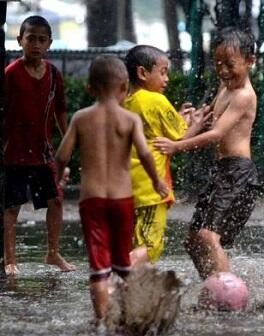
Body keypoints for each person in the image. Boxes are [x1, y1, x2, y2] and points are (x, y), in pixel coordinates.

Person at [54, 55, 169, 321]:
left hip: (92, 200)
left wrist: (59, 178)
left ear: (90, 89)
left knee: (99, 267)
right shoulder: (130, 120)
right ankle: (128, 315)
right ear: (124, 87)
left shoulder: (81, 118)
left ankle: (103, 320)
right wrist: (156, 181)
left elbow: (61, 156)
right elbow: (145, 153)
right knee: (122, 263)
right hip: (122, 199)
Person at [152, 27, 260, 278]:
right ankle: (214, 287)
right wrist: (190, 119)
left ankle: (227, 294)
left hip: (238, 172)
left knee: (208, 236)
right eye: (218, 63)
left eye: (230, 64)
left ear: (250, 61)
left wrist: (176, 147)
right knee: (192, 240)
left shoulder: (244, 95)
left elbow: (216, 134)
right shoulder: (225, 87)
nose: (223, 70)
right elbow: (208, 120)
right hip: (222, 171)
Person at [3, 15, 75, 276]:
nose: (35, 44)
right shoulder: (10, 74)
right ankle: (10, 259)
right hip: (14, 153)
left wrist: (67, 140)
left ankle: (52, 253)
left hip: (43, 152)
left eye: (41, 40)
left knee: (55, 200)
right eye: (30, 38)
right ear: (19, 40)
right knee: (12, 207)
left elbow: (61, 111)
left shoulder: (54, 75)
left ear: (49, 43)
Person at [124, 45, 207, 265]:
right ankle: (113, 282)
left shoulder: (128, 101)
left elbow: (160, 131)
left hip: (129, 186)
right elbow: (180, 137)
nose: (167, 79)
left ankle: (128, 292)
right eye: (162, 72)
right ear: (142, 73)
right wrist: (197, 123)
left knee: (135, 242)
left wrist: (179, 117)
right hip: (152, 189)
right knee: (150, 246)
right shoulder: (156, 100)